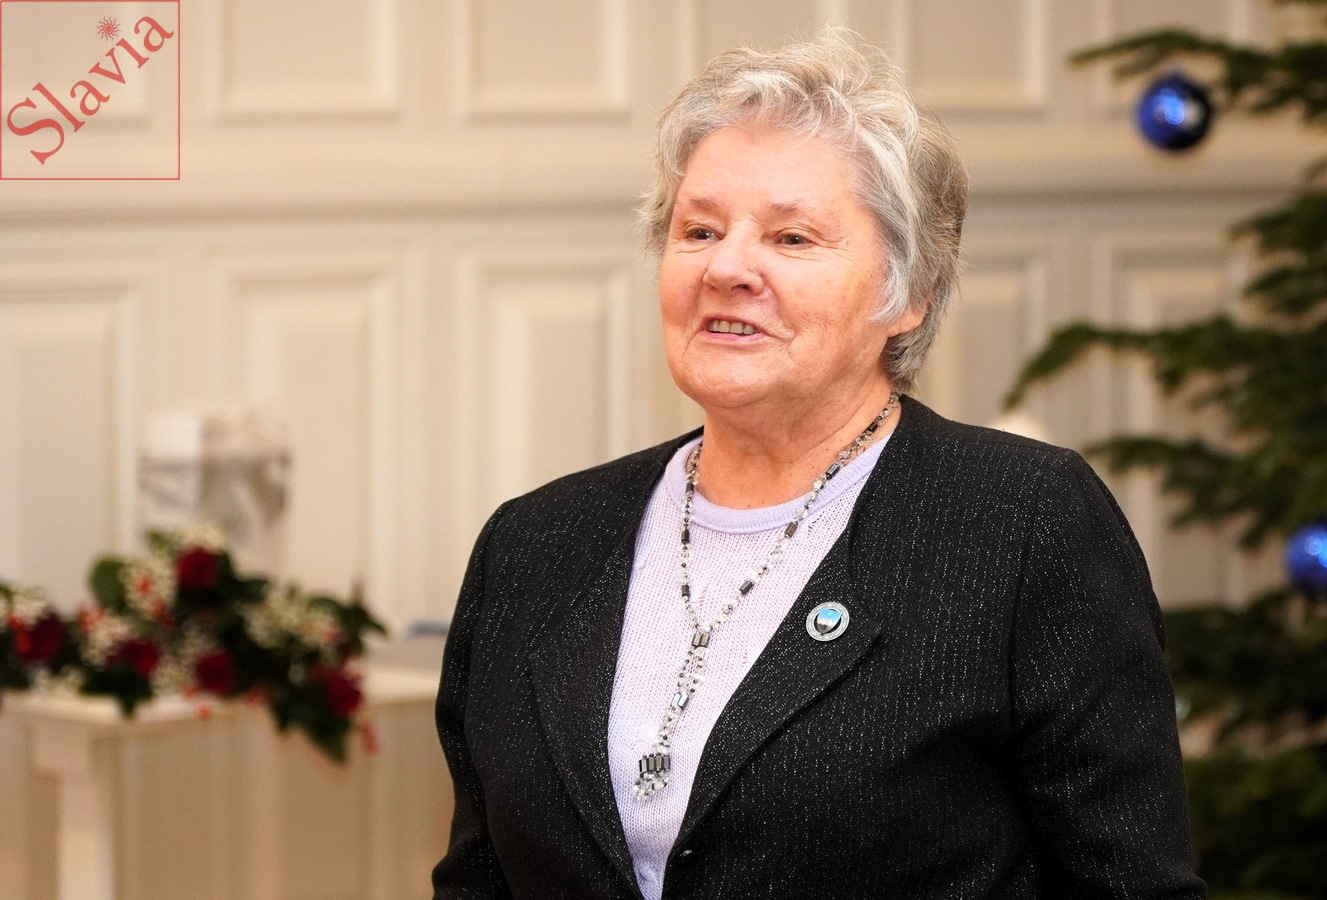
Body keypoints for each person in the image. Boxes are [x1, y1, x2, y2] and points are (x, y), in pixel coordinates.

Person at [433, 29, 1204, 900]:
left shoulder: (1020, 524)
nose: (727, 267)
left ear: (908, 295)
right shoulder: (532, 546)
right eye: (699, 230)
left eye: (792, 238)